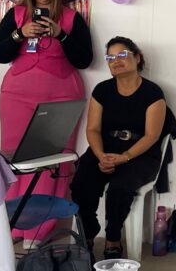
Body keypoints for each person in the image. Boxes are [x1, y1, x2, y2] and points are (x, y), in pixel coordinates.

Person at [0, 0, 92, 241]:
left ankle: (41, 229)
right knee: (16, 159)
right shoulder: (17, 15)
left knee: (51, 162)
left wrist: (61, 35)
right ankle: (13, 225)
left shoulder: (70, 18)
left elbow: (84, 59)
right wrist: (19, 34)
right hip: (16, 98)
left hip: (60, 97)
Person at [70, 37, 166, 259]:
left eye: (122, 55)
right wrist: (100, 155)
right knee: (82, 181)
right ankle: (89, 230)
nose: (116, 61)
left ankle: (113, 237)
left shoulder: (152, 93)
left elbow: (152, 135)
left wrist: (125, 156)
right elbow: (93, 129)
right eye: (110, 57)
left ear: (137, 57)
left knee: (120, 188)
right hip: (104, 148)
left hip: (141, 153)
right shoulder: (102, 90)